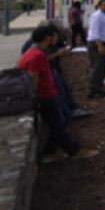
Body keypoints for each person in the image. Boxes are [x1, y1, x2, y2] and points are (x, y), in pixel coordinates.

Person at [18, 25, 99, 163]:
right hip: (45, 96)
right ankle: (74, 150)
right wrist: (36, 98)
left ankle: (50, 152)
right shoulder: (37, 56)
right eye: (54, 36)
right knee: (59, 124)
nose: (56, 39)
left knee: (61, 122)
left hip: (49, 93)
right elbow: (34, 79)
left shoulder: (35, 52)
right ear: (47, 38)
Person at [86, 0, 105, 99]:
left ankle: (99, 88)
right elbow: (95, 32)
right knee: (97, 67)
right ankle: (93, 91)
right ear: (99, 6)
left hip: (104, 43)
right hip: (97, 44)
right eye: (104, 5)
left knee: (102, 68)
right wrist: (100, 45)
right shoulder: (97, 16)